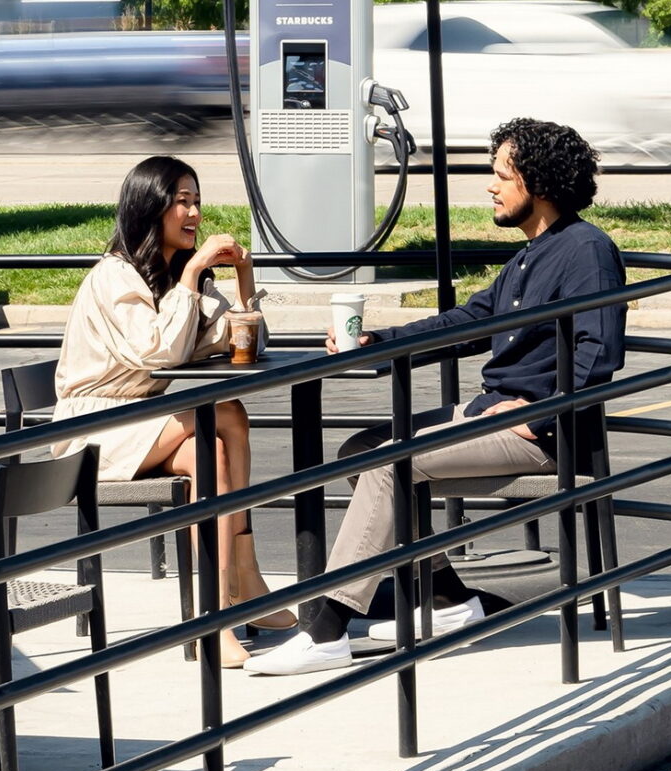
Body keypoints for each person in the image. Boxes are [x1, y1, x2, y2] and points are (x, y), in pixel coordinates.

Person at [249, 117, 624, 675]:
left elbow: (600, 351)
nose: (491, 186)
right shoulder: (528, 255)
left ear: (538, 183)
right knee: (361, 451)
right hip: (488, 415)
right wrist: (379, 343)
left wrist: (540, 415)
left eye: (501, 174)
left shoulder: (587, 251)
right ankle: (449, 602)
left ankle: (327, 630)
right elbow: (468, 321)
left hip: (541, 433)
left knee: (387, 464)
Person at [51, 155, 294, 669]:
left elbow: (244, 343)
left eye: (197, 201)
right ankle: (234, 591)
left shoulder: (172, 277)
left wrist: (244, 278)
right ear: (151, 208)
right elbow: (158, 351)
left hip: (140, 423)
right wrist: (195, 273)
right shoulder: (114, 277)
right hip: (93, 428)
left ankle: (217, 608)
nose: (194, 214)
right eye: (181, 202)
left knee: (217, 452)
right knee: (225, 414)